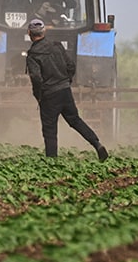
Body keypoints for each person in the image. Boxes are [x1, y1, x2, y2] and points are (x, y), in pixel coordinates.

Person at [25, 18, 109, 161]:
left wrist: (38, 95)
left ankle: (52, 162)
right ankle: (97, 144)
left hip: (49, 95)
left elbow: (36, 78)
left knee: (50, 130)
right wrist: (65, 82)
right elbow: (71, 66)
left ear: (29, 33)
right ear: (44, 31)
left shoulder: (33, 54)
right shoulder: (57, 46)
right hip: (65, 91)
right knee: (75, 121)